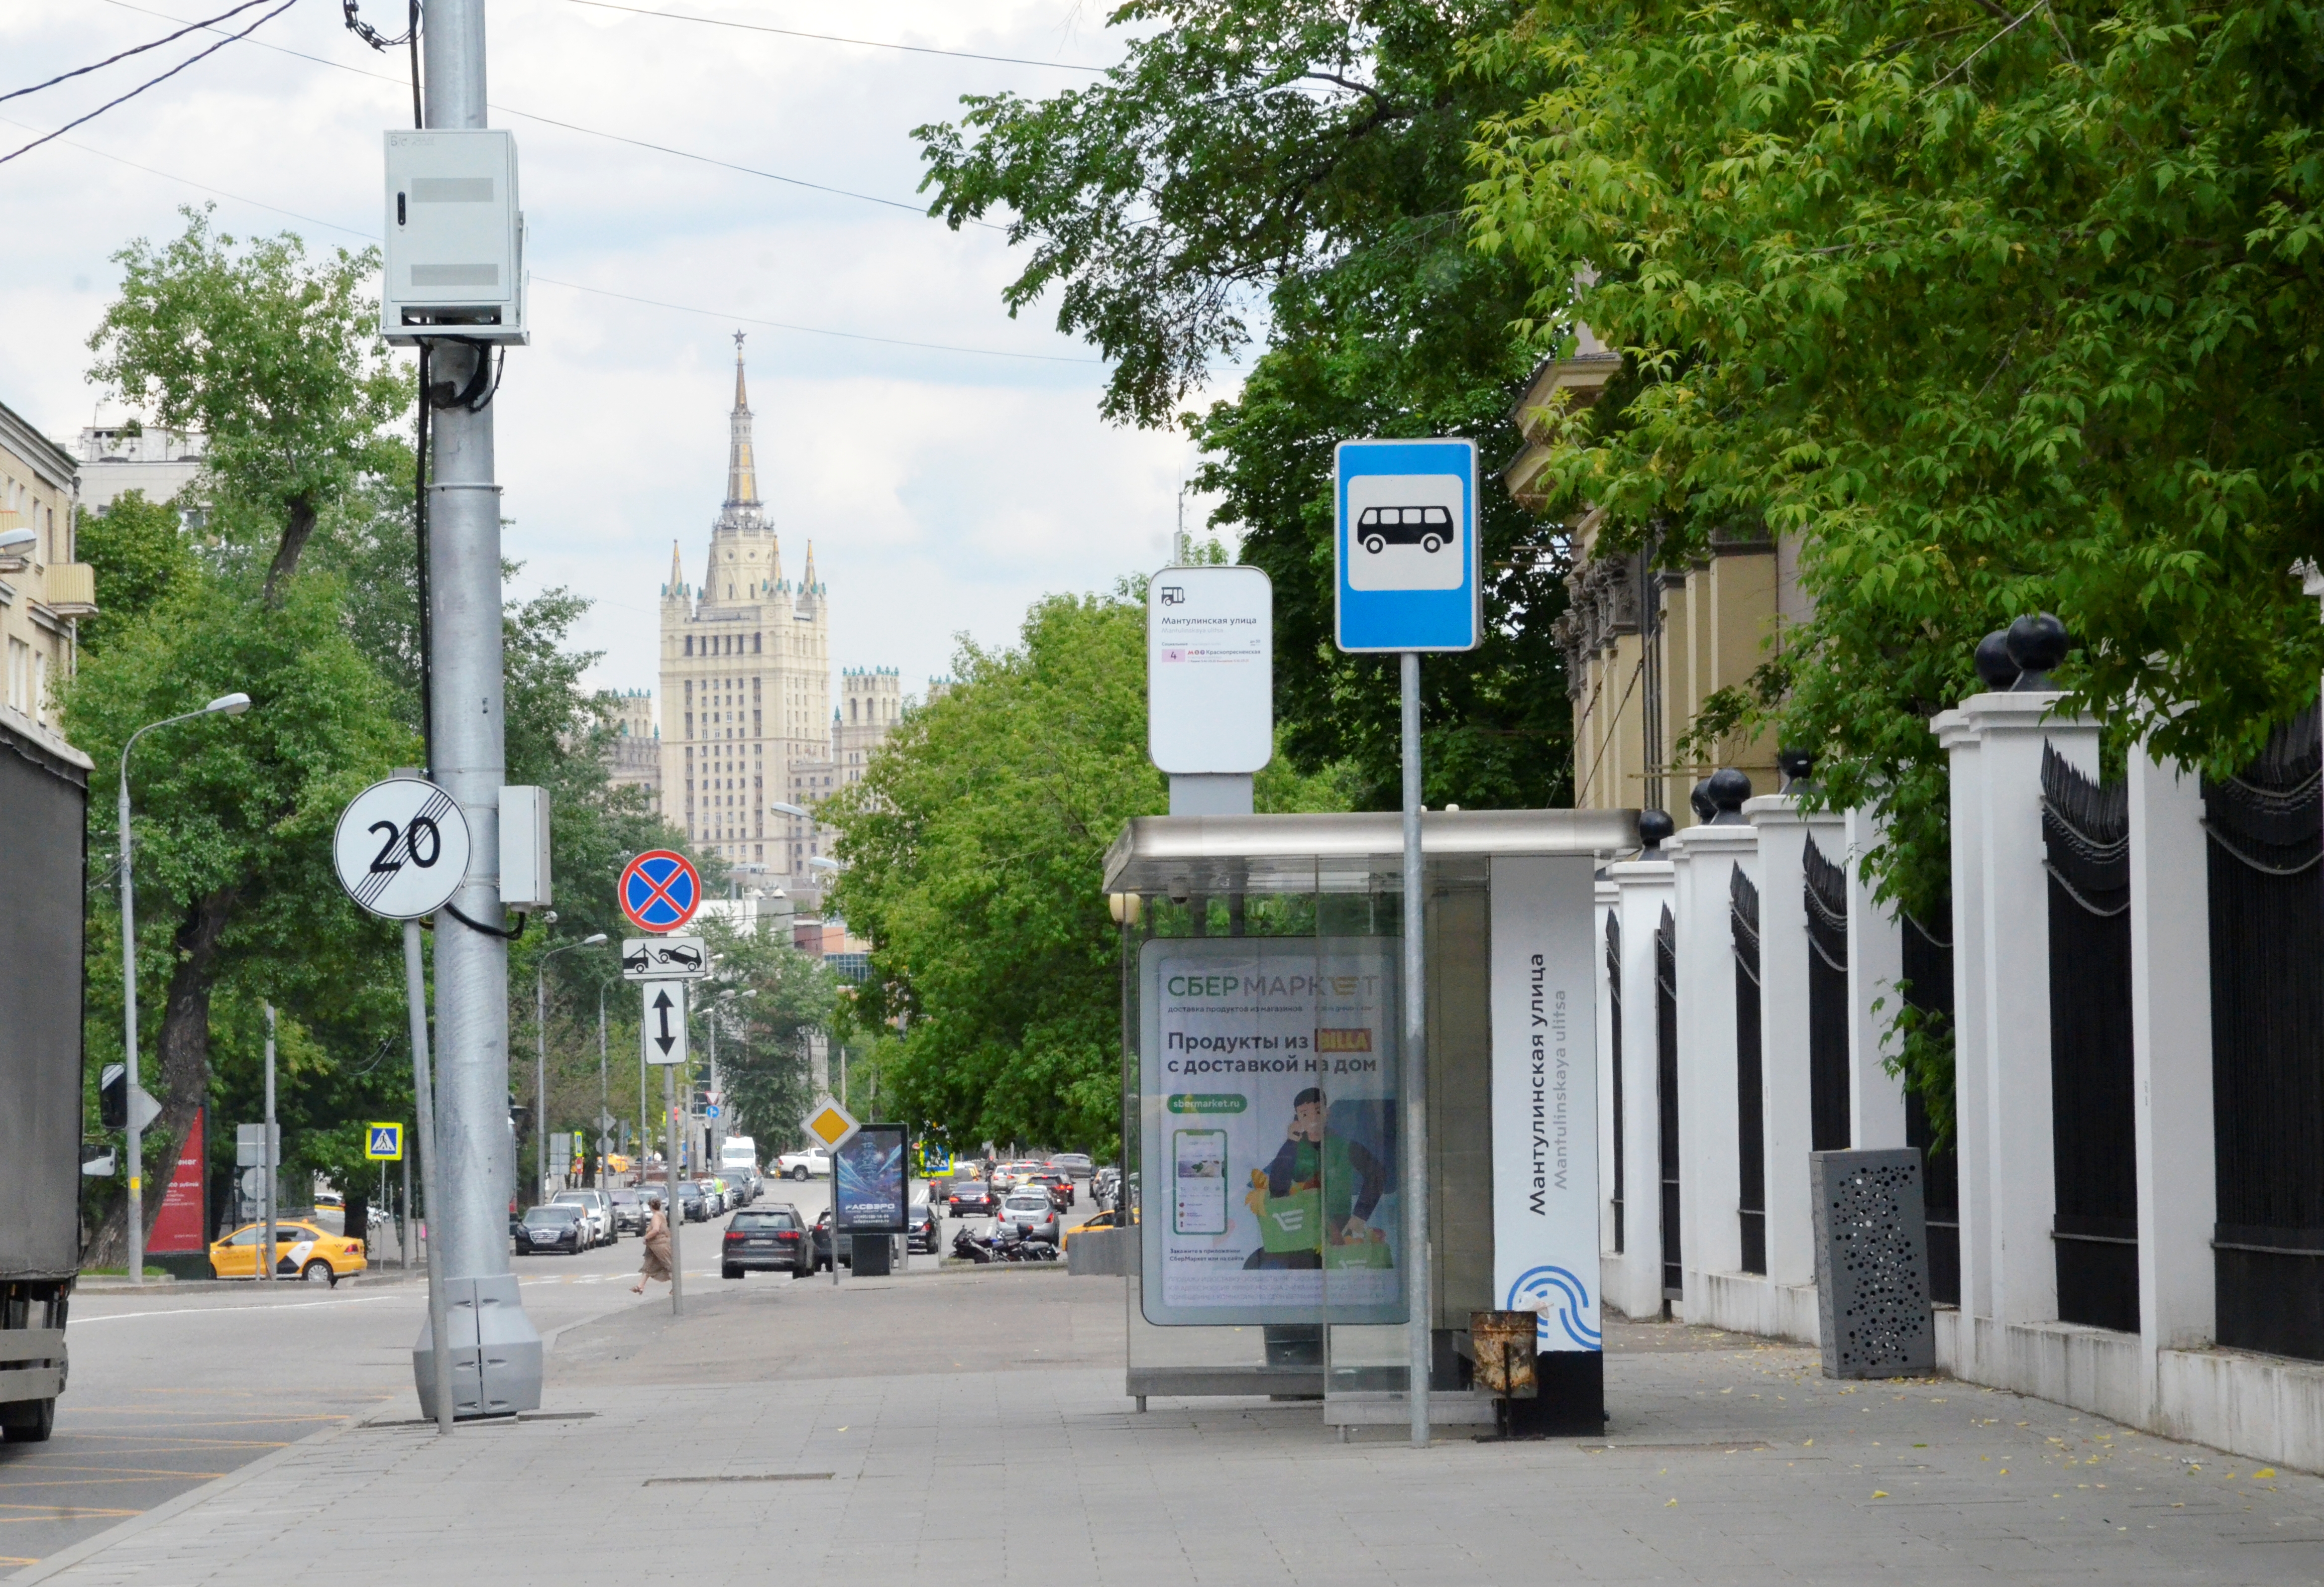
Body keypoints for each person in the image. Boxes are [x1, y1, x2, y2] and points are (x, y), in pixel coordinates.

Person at [1244, 1086, 1389, 1269]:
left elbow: (1378, 1174)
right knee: (1255, 1264)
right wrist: (1291, 1143)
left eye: (1318, 1112)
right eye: (1305, 1115)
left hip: (1338, 1228)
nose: (1312, 1119)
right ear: (1298, 1119)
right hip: (1301, 1228)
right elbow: (1278, 1189)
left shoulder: (1346, 1147)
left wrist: (1360, 1215)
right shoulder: (1293, 1149)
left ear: (1327, 1113)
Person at [631, 1202, 673, 1295]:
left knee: (669, 1266)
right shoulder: (661, 1215)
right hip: (654, 1247)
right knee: (649, 1266)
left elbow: (656, 1229)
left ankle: (676, 1288)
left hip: (660, 1246)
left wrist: (646, 1237)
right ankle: (640, 1286)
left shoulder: (656, 1216)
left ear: (651, 1207)